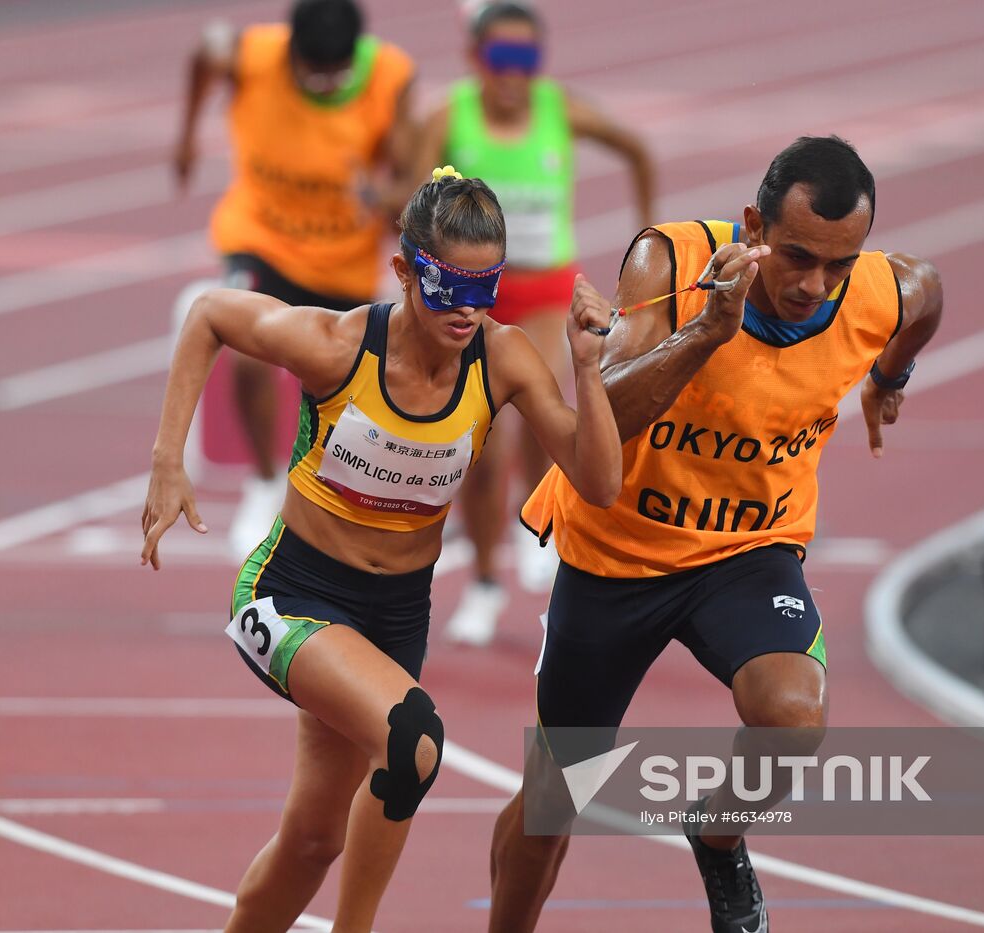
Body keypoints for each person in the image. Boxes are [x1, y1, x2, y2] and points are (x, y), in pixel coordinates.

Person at [140, 168, 622, 933]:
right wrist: (169, 458)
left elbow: (598, 482)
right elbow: (207, 316)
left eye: (484, 288)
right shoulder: (337, 346)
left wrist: (589, 370)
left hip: (396, 617)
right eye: (447, 287)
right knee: (413, 740)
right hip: (291, 591)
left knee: (312, 840)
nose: (467, 309)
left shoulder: (501, 359)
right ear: (404, 271)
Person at [489, 136, 945, 933]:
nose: (816, 284)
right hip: (616, 554)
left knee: (795, 717)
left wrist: (889, 380)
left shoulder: (889, 290)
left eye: (840, 263)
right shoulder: (667, 262)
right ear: (752, 227)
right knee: (559, 792)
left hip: (745, 553)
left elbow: (926, 300)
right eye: (798, 256)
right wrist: (707, 331)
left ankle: (718, 828)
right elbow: (604, 424)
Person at [410, 1, 654, 645]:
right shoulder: (447, 119)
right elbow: (409, 206)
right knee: (479, 453)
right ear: (476, 59)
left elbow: (636, 149)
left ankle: (536, 528)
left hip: (548, 294)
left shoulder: (561, 111)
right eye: (502, 59)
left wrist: (648, 242)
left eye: (528, 59)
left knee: (533, 410)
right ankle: (487, 581)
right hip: (475, 299)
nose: (515, 74)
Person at [173, 0, 416, 558]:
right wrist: (187, 133)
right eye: (314, 73)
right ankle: (263, 482)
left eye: (338, 74)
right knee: (247, 354)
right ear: (291, 55)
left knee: (351, 399)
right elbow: (203, 56)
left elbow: (406, 176)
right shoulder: (254, 55)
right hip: (263, 239)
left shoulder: (390, 74)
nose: (327, 84)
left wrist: (381, 197)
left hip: (344, 260)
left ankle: (351, 507)